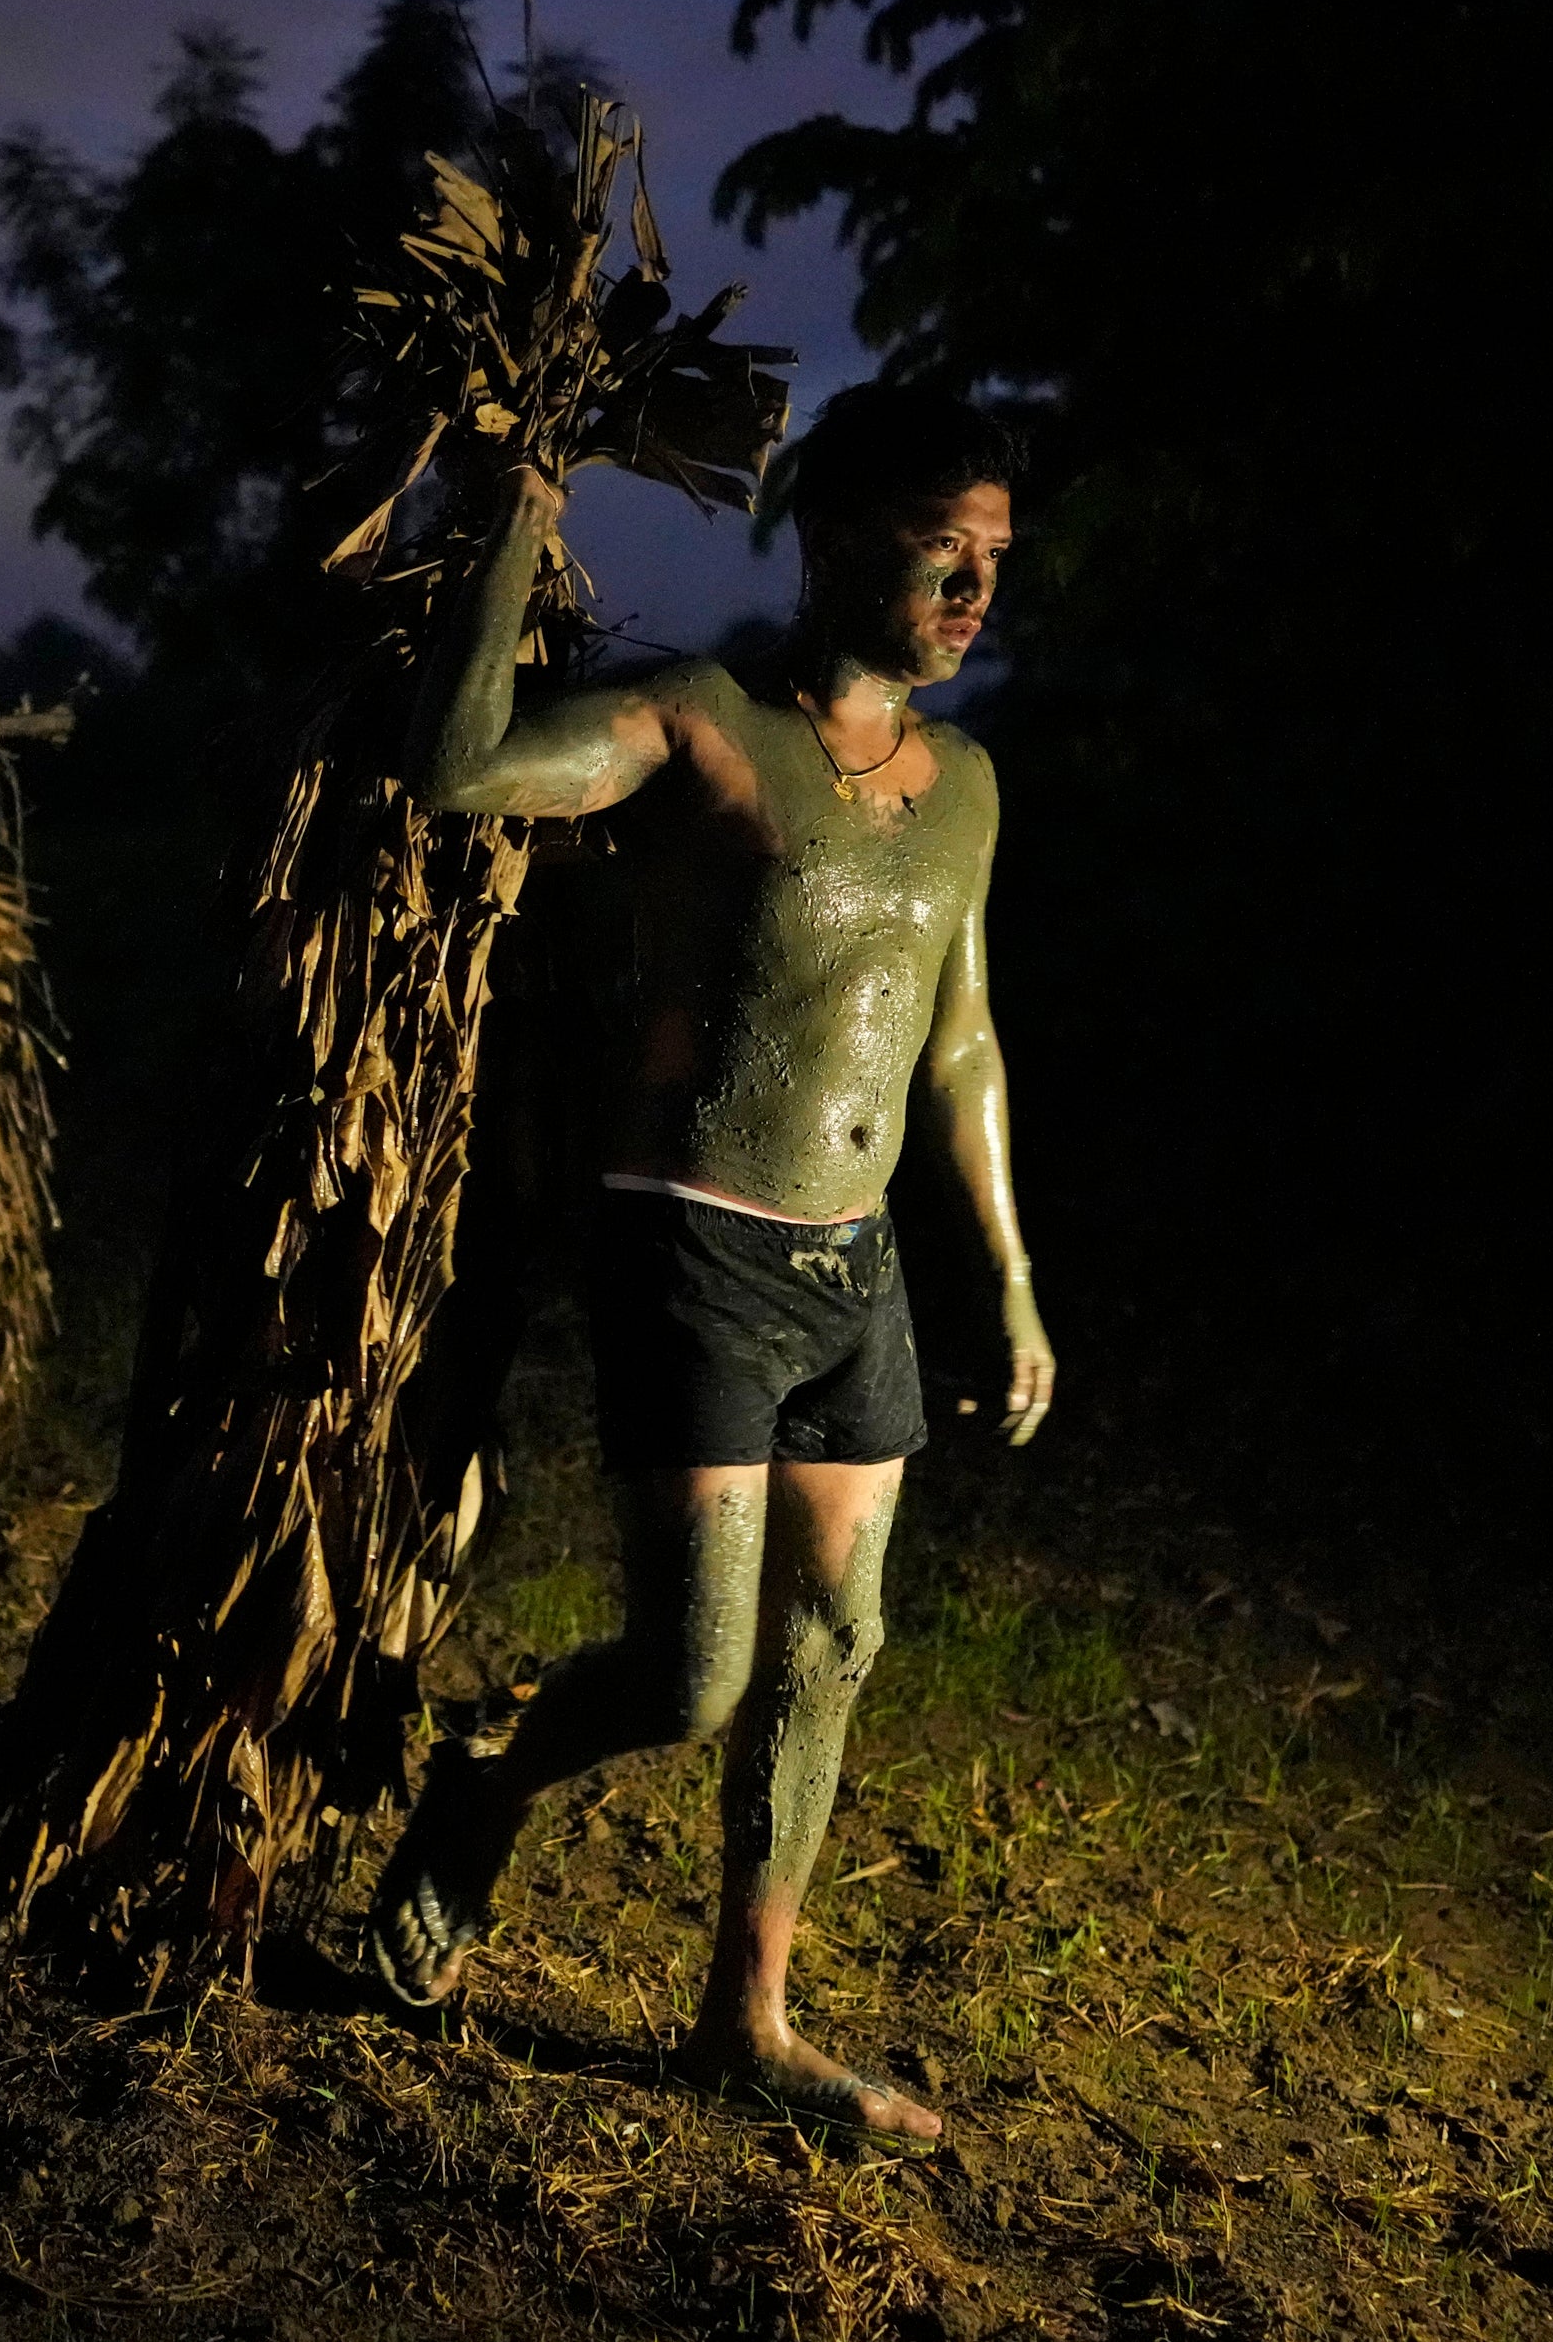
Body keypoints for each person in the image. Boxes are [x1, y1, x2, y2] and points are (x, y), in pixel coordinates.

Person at [374, 382, 1056, 2137]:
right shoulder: (702, 723)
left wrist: (1010, 1277)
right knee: (691, 1676)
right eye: (938, 554)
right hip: (692, 1247)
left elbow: (959, 1040)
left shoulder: (965, 783)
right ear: (833, 544)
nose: (975, 589)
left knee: (834, 1639)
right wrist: (516, 507)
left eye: (993, 557)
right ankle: (484, 1783)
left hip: (860, 1267)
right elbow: (457, 776)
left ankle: (743, 2017)